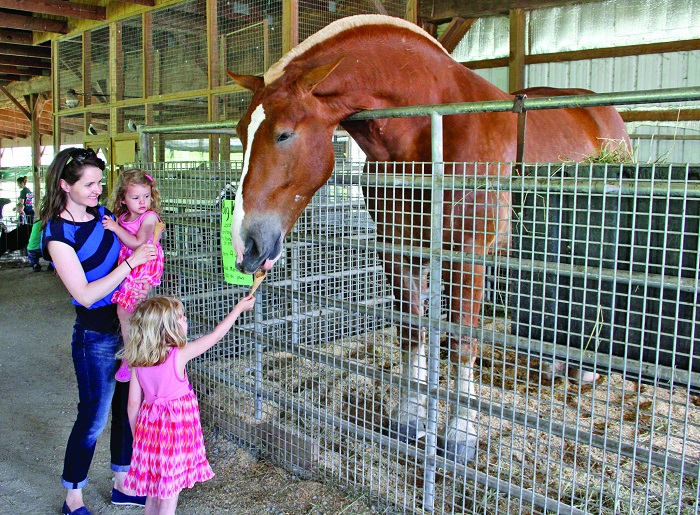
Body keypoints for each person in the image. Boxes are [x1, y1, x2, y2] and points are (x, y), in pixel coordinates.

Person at [40, 147, 158, 515]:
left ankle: (122, 483)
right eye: (89, 184)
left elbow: (137, 233)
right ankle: (72, 496)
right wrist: (133, 265)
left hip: (130, 326)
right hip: (95, 335)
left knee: (127, 407)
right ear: (65, 185)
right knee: (93, 416)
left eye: (99, 183)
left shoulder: (103, 214)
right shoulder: (57, 233)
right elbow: (85, 293)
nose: (96, 190)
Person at [122, 294, 256, 514]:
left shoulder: (138, 360)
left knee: (154, 491)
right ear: (167, 328)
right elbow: (215, 336)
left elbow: (132, 403)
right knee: (169, 493)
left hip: (149, 431)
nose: (186, 320)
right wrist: (238, 309)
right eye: (181, 318)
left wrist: (139, 437)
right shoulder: (178, 355)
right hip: (175, 434)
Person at [102, 169, 165, 383]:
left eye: (146, 196)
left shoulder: (149, 217)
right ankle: (141, 353)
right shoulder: (124, 217)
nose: (142, 202)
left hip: (143, 265)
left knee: (125, 309)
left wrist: (114, 227)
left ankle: (130, 357)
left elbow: (138, 243)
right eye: (135, 198)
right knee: (131, 310)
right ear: (123, 198)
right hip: (130, 267)